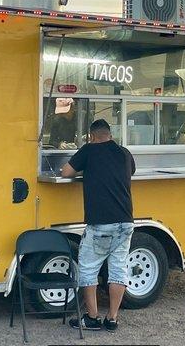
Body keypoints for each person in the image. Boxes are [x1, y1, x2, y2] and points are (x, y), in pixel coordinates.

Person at [61, 119, 136, 333]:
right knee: (118, 270)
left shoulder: (89, 151)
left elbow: (66, 172)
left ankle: (92, 318)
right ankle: (112, 318)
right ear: (110, 135)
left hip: (101, 224)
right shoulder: (124, 153)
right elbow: (130, 171)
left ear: (92, 136)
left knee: (88, 268)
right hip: (125, 222)